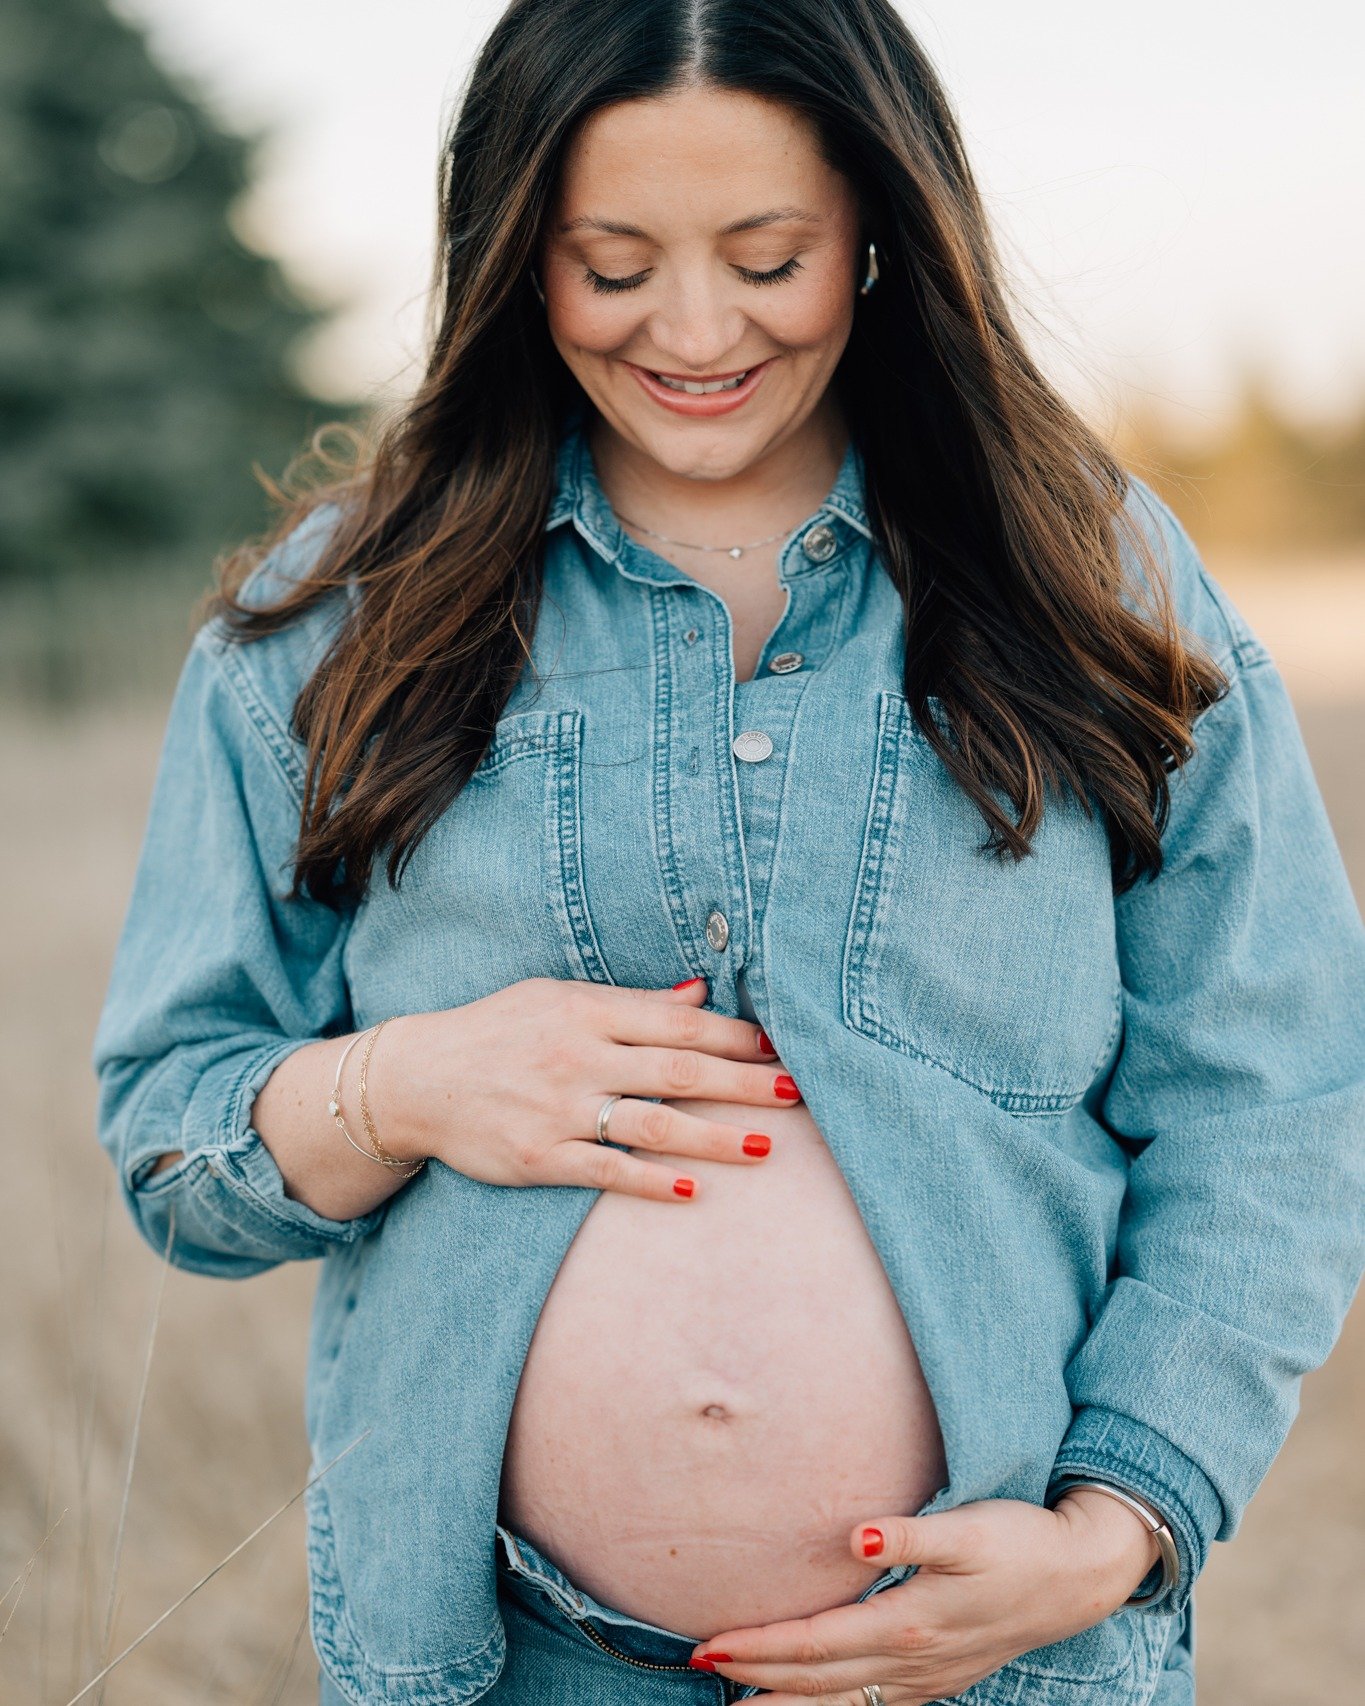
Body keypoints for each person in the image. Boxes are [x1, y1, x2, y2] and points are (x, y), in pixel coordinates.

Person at [91, 2, 1365, 1703]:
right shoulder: (332, 625)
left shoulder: (1094, 576)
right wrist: (399, 1086)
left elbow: (1272, 1093)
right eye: (609, 265)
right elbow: (171, 1144)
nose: (693, 330)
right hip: (504, 1661)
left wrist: (1116, 1521)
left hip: (997, 1660)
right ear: (509, 263)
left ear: (880, 240)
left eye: (768, 257)